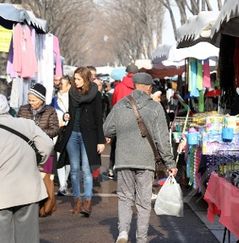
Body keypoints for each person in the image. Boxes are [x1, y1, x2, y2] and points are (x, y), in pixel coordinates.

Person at [103, 72, 178, 243]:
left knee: (124, 197)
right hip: (146, 161)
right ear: (149, 87)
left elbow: (107, 129)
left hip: (123, 159)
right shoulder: (155, 107)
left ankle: (122, 232)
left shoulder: (121, 105)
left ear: (134, 85)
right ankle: (141, 238)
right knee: (143, 202)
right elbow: (162, 138)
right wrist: (170, 162)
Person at [0, 94, 53, 243]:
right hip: (28, 188)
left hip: (2, 191)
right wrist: (38, 161)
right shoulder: (26, 124)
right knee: (28, 236)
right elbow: (48, 145)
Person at [55, 67, 105, 217]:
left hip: (88, 135)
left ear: (85, 79)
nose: (74, 82)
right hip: (72, 134)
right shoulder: (72, 92)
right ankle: (77, 201)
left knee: (86, 169)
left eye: (78, 79)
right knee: (75, 170)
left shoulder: (95, 93)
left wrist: (101, 140)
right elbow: (71, 110)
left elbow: (98, 117)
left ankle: (87, 203)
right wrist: (66, 116)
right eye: (74, 79)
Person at [17, 83, 59, 174]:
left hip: (44, 151)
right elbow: (17, 126)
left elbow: (55, 130)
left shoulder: (50, 110)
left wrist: (37, 132)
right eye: (29, 100)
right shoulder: (23, 109)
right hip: (25, 150)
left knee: (45, 178)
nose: (31, 103)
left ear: (41, 100)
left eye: (34, 100)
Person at [108, 63, 139, 179]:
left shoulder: (119, 87)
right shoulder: (139, 88)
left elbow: (114, 104)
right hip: (136, 122)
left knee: (116, 145)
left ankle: (112, 168)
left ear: (126, 73)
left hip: (120, 121)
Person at [51, 75, 72, 196]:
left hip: (70, 131)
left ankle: (65, 182)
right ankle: (63, 185)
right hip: (58, 131)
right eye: (60, 84)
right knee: (59, 157)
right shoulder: (55, 99)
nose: (60, 86)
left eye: (62, 84)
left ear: (69, 85)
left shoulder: (74, 98)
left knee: (68, 158)